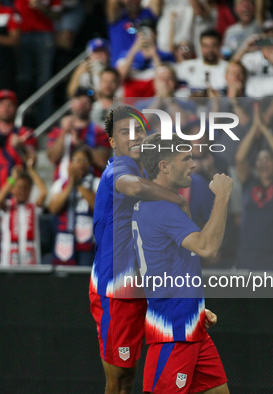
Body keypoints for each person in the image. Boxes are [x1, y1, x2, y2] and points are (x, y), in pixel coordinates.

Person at [89, 105, 190, 394]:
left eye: (139, 131)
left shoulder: (150, 175)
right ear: (112, 143)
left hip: (146, 286)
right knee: (120, 382)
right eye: (125, 132)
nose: (134, 137)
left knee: (143, 378)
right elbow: (130, 187)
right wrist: (177, 199)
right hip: (117, 290)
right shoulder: (122, 167)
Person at [134, 132, 230, 394]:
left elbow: (162, 264)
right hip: (174, 333)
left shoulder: (149, 206)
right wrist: (222, 196)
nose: (192, 164)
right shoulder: (163, 209)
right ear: (164, 166)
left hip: (190, 326)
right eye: (185, 158)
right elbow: (207, 247)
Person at [235, 103, 273, 270]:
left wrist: (265, 129)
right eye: (260, 160)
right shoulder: (249, 183)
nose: (263, 163)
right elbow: (240, 158)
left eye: (268, 159)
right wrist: (254, 128)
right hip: (247, 252)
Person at [48, 146, 98, 266]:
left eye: (84, 160)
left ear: (90, 163)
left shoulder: (98, 182)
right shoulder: (60, 184)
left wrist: (79, 184)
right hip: (65, 241)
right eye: (75, 160)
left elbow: (98, 206)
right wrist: (71, 184)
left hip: (89, 243)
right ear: (70, 163)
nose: (79, 164)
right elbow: (53, 209)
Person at [46, 87, 111, 181]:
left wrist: (80, 144)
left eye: (87, 102)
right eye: (79, 100)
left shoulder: (100, 132)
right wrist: (64, 132)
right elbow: (52, 158)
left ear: (91, 106)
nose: (82, 105)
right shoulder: (58, 131)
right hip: (63, 185)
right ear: (71, 103)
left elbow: (102, 161)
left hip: (91, 186)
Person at [0, 159, 47, 266]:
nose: (22, 191)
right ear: (12, 189)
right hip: (8, 259)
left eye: (26, 188)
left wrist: (31, 170)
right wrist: (13, 178)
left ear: (30, 190)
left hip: (30, 260)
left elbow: (44, 192)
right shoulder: (8, 206)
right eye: (18, 187)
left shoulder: (33, 206)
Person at [233, 20, 273, 98]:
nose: (270, 40)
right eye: (267, 36)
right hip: (251, 99)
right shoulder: (251, 57)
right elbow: (230, 70)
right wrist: (244, 49)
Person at [116, 18, 176, 98]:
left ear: (155, 35)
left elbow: (163, 78)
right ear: (138, 34)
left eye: (149, 32)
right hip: (131, 98)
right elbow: (120, 77)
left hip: (155, 97)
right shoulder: (126, 55)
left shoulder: (165, 56)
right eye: (142, 32)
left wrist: (154, 55)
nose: (145, 35)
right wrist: (134, 50)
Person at [106, 0, 161, 67]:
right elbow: (112, 3)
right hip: (121, 70)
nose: (133, 1)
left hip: (146, 69)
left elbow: (157, 3)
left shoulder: (147, 14)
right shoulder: (118, 17)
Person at [177, 30, 229, 96]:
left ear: (220, 46)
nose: (210, 50)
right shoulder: (186, 66)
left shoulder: (228, 68)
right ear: (200, 47)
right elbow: (179, 94)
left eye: (213, 46)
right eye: (205, 46)